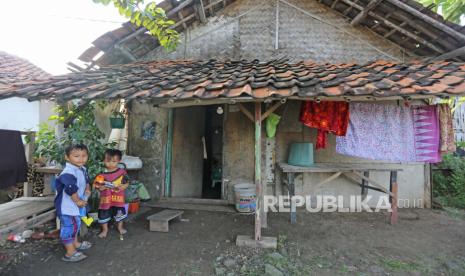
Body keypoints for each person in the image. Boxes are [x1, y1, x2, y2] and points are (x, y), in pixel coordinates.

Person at [54, 144, 92, 262]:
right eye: (76, 156)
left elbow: (86, 179)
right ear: (67, 157)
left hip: (75, 206)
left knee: (76, 225)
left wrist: (87, 188)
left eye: (84, 156)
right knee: (69, 228)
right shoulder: (68, 172)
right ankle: (70, 253)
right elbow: (70, 188)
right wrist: (78, 201)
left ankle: (75, 244)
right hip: (67, 207)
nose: (81, 159)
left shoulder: (82, 168)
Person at [94, 149, 129, 238]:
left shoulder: (122, 172)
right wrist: (101, 188)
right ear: (103, 161)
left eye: (114, 161)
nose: (110, 164)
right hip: (105, 201)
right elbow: (97, 186)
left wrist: (122, 187)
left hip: (118, 200)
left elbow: (127, 183)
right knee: (103, 215)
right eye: (108, 161)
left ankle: (120, 227)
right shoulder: (101, 174)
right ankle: (105, 230)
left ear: (119, 161)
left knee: (119, 214)